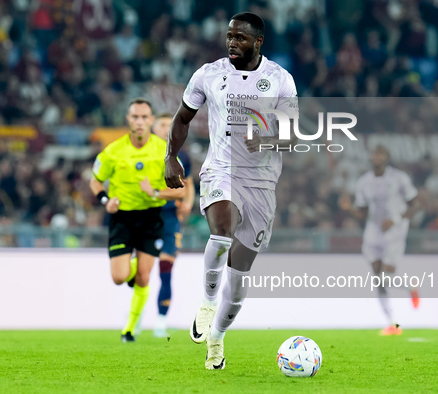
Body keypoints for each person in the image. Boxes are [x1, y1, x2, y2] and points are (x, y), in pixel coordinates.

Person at [164, 12, 297, 369]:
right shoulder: (209, 74)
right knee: (221, 230)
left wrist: (264, 139)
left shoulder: (280, 80)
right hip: (222, 168)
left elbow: (290, 135)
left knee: (238, 278)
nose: (232, 43)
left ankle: (218, 339)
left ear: (258, 42)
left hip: (262, 181)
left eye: (240, 38)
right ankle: (207, 303)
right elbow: (182, 118)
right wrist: (170, 157)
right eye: (229, 36)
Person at [90, 98, 185, 343]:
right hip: (122, 218)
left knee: (143, 277)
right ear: (128, 120)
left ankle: (129, 329)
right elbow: (95, 180)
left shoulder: (164, 151)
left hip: (152, 218)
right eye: (135, 117)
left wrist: (154, 192)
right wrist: (104, 200)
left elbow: (181, 190)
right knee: (120, 277)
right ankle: (131, 268)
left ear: (151, 121)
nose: (140, 122)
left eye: (145, 117)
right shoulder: (113, 151)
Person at [339, 145, 420, 336]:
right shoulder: (364, 182)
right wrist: (349, 209)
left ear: (387, 157)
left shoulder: (399, 178)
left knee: (385, 277)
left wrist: (396, 220)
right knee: (379, 281)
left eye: (381, 153)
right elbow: (363, 212)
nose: (376, 156)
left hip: (395, 231)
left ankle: (411, 287)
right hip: (373, 231)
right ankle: (393, 324)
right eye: (374, 153)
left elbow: (415, 203)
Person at [151, 112, 195, 338]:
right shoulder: (144, 154)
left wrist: (187, 203)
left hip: (169, 218)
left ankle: (160, 321)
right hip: (145, 216)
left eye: (169, 125)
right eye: (161, 125)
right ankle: (135, 319)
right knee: (141, 271)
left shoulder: (181, 155)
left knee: (165, 271)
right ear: (153, 127)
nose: (165, 129)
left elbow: (188, 184)